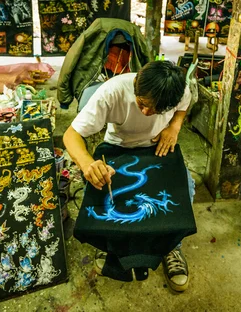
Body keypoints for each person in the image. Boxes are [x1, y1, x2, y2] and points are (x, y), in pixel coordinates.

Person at [63, 60, 193, 291]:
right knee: (102, 195)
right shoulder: (112, 92)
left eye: (155, 110)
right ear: (135, 84)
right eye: (142, 104)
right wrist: (87, 163)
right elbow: (71, 134)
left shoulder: (178, 89)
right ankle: (110, 243)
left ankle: (171, 245)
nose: (146, 113)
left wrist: (174, 127)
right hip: (118, 147)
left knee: (183, 193)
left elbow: (184, 105)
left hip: (156, 148)